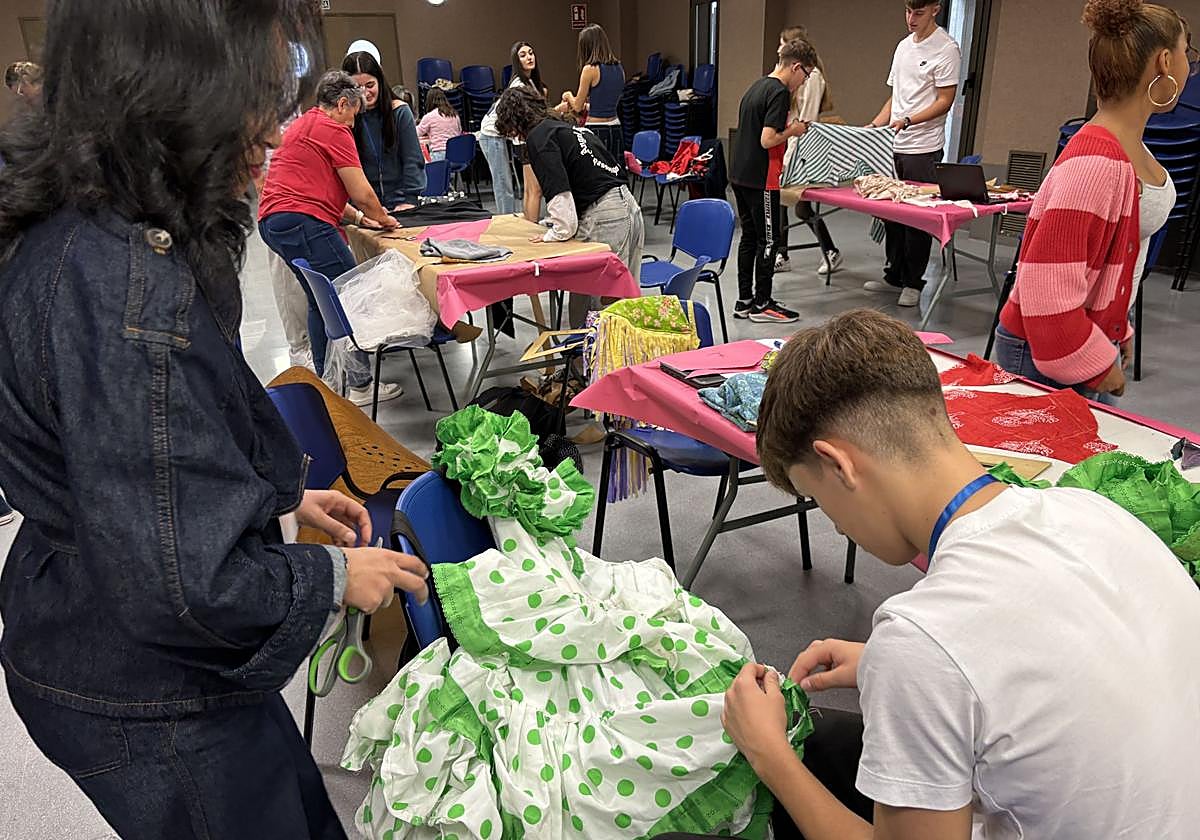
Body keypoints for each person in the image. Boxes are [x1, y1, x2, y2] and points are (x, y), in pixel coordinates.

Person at [0, 2, 432, 838]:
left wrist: (275, 497)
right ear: (168, 92)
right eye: (253, 97)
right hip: (144, 685)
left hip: (115, 632)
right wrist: (331, 578)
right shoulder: (125, 295)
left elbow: (161, 441)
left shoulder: (101, 225)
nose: (271, 130)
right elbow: (181, 585)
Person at [699, 309, 1200, 840]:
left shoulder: (921, 638)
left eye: (818, 498)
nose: (838, 527)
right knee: (832, 743)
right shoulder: (1092, 512)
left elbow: (944, 648)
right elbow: (1070, 655)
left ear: (839, 466)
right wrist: (891, 667)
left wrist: (769, 754)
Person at [996, 0, 1194, 404]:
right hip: (1054, 351)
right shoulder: (1095, 164)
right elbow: (1047, 294)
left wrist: (1117, 324)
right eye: (1186, 52)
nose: (1190, 66)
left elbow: (1105, 261)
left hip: (1088, 336)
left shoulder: (1125, 149)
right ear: (1164, 62)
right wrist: (1100, 367)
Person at [259, 70, 403, 407]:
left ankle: (329, 382)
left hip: (274, 222)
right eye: (353, 115)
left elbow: (318, 188)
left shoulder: (304, 124)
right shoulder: (334, 129)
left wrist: (361, 219)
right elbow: (361, 192)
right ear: (342, 104)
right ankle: (362, 384)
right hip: (303, 221)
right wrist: (384, 219)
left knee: (318, 300)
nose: (353, 123)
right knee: (349, 295)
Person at [495, 85, 643, 328]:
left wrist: (554, 233)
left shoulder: (538, 138)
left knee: (598, 309)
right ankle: (606, 350)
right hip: (626, 205)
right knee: (623, 299)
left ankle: (586, 351)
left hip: (607, 216)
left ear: (513, 121)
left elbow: (560, 200)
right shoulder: (564, 128)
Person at [864, 0, 961, 308]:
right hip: (893, 145)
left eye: (918, 12)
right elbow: (895, 97)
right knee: (892, 213)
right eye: (907, 11)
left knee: (917, 217)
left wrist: (909, 120)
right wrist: (874, 126)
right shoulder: (903, 47)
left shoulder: (946, 48)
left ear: (935, 9)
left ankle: (913, 282)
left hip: (923, 147)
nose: (911, 18)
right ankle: (894, 275)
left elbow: (945, 100)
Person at [729, 38, 816, 325]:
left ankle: (744, 300)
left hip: (740, 174)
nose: (803, 83)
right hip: (762, 178)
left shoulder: (756, 86)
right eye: (805, 76)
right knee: (769, 240)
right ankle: (763, 303)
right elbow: (767, 139)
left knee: (749, 238)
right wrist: (794, 130)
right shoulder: (779, 92)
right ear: (796, 67)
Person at [774, 26, 842, 277]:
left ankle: (831, 251)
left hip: (803, 151)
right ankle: (782, 254)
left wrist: (791, 156)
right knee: (782, 203)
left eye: (782, 44)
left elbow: (807, 121)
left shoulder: (812, 78)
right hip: (789, 145)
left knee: (801, 208)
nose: (778, 50)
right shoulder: (788, 73)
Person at [342, 48, 426, 211]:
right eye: (357, 88)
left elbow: (412, 160)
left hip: (402, 203)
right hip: (363, 207)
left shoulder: (400, 112)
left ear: (380, 81)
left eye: (370, 85)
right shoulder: (345, 119)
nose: (364, 93)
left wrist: (409, 200)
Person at [478, 41, 539, 216]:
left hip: (502, 134)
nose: (529, 57)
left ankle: (512, 219)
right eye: (523, 55)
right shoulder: (518, 84)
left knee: (509, 183)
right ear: (516, 61)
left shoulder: (530, 82)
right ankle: (507, 221)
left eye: (531, 53)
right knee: (503, 183)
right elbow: (518, 118)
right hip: (491, 134)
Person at [559, 24, 626, 170]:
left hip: (596, 130)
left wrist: (568, 95)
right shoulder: (619, 68)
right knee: (616, 172)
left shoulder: (590, 69)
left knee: (597, 174)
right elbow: (608, 101)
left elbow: (577, 106)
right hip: (616, 127)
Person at [416, 88, 461, 162]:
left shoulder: (429, 116)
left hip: (439, 154)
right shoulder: (455, 115)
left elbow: (416, 133)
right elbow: (459, 132)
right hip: (455, 154)